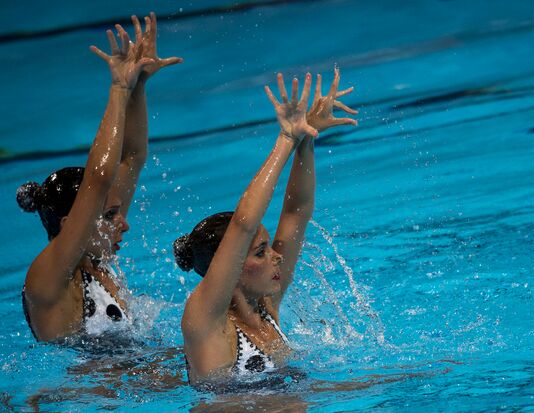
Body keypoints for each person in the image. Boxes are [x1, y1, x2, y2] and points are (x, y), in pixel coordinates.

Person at [173, 68, 358, 384]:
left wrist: (306, 139)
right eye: (260, 252)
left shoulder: (265, 307)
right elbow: (244, 225)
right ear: (228, 266)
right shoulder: (207, 323)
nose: (277, 256)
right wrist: (286, 137)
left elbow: (296, 212)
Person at [16, 13, 182, 342]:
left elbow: (131, 157)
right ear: (69, 223)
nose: (124, 223)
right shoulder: (49, 277)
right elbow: (99, 177)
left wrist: (138, 85)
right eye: (108, 215)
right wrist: (119, 87)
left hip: (120, 384)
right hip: (83, 393)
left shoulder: (94, 257)